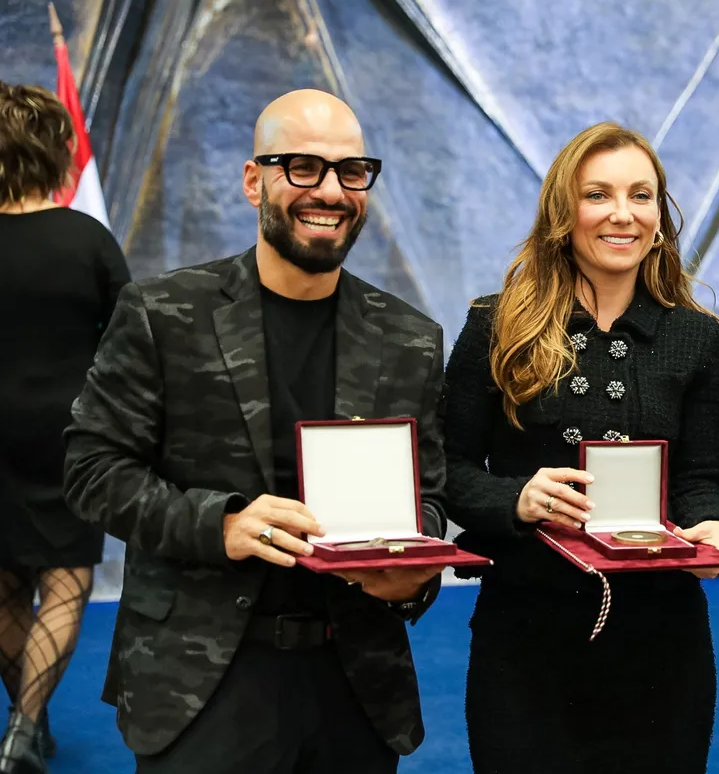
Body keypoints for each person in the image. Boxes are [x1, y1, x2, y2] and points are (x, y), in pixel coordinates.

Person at [63, 89, 447, 774]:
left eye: (351, 171)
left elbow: (430, 497)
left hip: (355, 682)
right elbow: (92, 470)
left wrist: (412, 581)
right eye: (303, 166)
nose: (330, 191)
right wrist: (221, 524)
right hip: (200, 680)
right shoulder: (164, 313)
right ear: (253, 181)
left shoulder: (409, 338)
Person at [441, 122, 719, 774]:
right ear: (562, 211)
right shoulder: (497, 324)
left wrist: (714, 528)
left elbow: (704, 477)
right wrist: (515, 500)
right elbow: (444, 468)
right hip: (525, 636)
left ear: (660, 217)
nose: (622, 214)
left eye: (640, 195)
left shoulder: (696, 337)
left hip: (663, 643)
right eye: (597, 194)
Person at [0, 81, 130, 774]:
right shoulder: (87, 239)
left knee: (5, 586)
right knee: (66, 581)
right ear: (55, 151)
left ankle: (29, 725)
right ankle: (25, 726)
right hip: (69, 437)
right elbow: (131, 341)